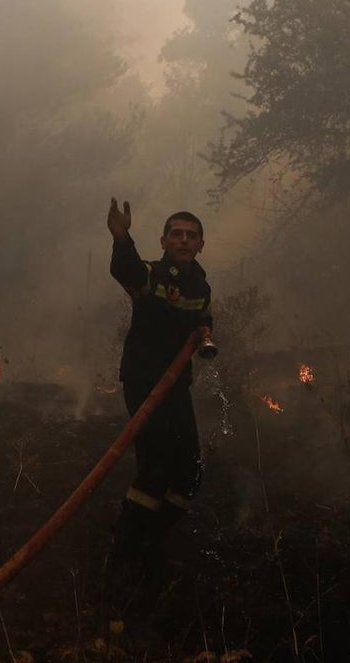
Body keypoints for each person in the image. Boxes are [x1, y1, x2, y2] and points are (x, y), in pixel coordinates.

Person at [106, 197, 214, 574]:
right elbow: (127, 271)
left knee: (190, 470)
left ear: (201, 244)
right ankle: (124, 554)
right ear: (164, 241)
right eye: (177, 234)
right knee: (154, 467)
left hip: (176, 386)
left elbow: (204, 316)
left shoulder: (200, 284)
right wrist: (122, 238)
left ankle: (154, 538)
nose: (184, 240)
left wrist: (205, 334)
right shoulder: (152, 275)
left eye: (191, 235)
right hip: (143, 382)